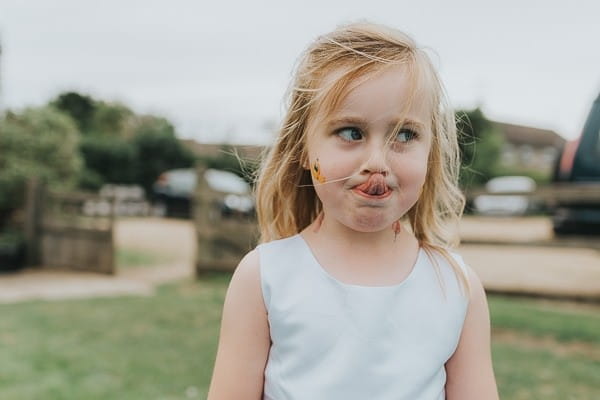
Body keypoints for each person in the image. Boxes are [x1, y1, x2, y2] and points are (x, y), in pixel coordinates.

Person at [207, 22, 499, 400]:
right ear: (304, 149)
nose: (377, 161)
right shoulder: (264, 277)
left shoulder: (458, 286)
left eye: (405, 135)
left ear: (432, 153)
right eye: (351, 132)